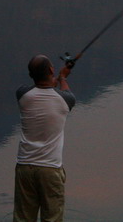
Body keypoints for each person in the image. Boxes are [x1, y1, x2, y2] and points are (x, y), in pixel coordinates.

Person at [13, 54, 75, 222]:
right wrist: (62, 77)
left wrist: (55, 78)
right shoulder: (66, 100)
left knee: (22, 218)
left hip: (24, 167)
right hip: (50, 169)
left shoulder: (22, 95)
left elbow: (42, 87)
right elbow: (64, 91)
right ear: (51, 70)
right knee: (52, 218)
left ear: (31, 75)